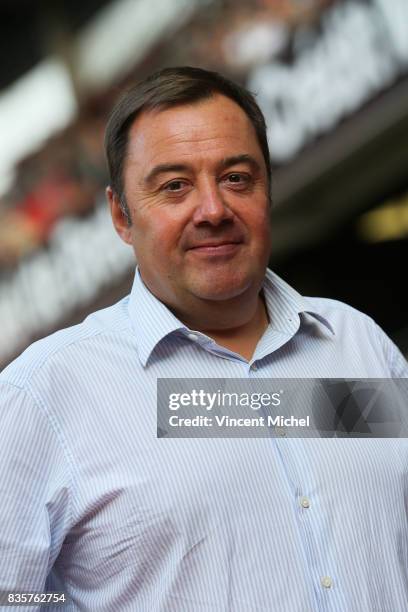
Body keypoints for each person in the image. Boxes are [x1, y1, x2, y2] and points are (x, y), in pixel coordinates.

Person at [0, 66, 407, 612]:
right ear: (121, 215)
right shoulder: (47, 393)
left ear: (267, 188)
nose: (213, 210)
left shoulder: (354, 342)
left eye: (237, 177)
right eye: (174, 187)